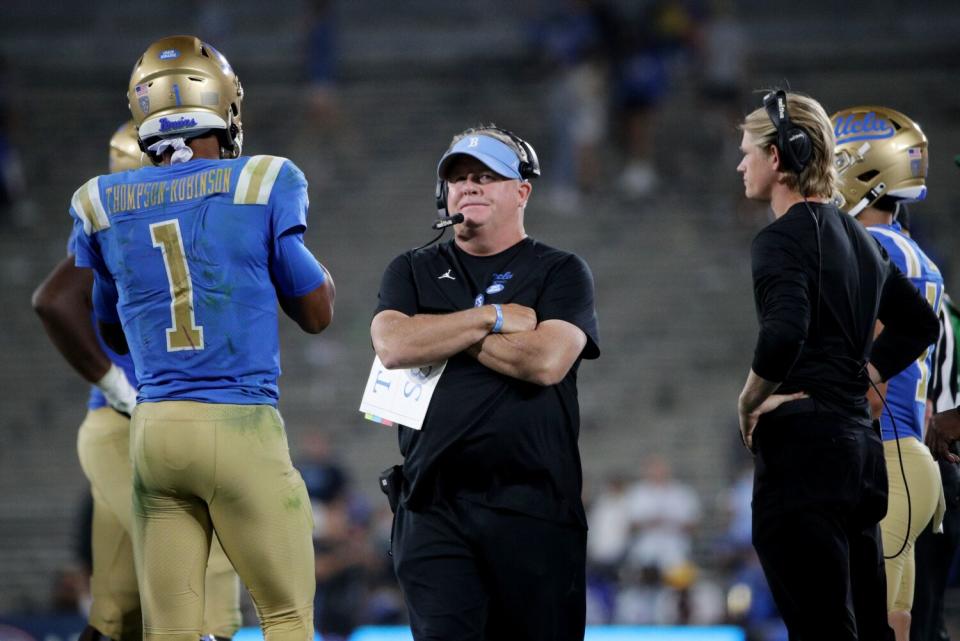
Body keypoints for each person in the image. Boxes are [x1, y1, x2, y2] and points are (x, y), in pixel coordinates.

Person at [68, 35, 335, 641]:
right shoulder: (262, 179)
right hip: (240, 424)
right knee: (288, 618)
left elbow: (108, 325)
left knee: (172, 633)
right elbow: (316, 312)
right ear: (223, 105)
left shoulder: (102, 200)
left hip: (155, 431)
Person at [370, 125, 600, 640]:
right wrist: (490, 316)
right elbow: (393, 347)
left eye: (485, 176)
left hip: (535, 507)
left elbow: (544, 362)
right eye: (457, 178)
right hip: (434, 506)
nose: (468, 186)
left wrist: (438, 328)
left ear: (522, 191)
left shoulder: (561, 271)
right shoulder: (409, 269)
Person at [735, 90, 940, 640]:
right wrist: (863, 376)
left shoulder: (779, 239)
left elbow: (782, 336)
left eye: (748, 150)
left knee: (821, 629)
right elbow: (922, 324)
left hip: (804, 455)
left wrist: (750, 400)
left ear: (779, 157)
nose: (740, 163)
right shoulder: (865, 239)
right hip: (861, 454)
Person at [33, 120, 241, 641]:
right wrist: (114, 384)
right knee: (203, 555)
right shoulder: (126, 227)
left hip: (148, 424)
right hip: (130, 424)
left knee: (117, 607)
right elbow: (54, 299)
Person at [832, 105, 945, 641]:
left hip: (885, 453)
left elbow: (866, 368)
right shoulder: (919, 256)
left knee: (871, 622)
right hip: (910, 455)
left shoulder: (870, 248)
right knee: (892, 618)